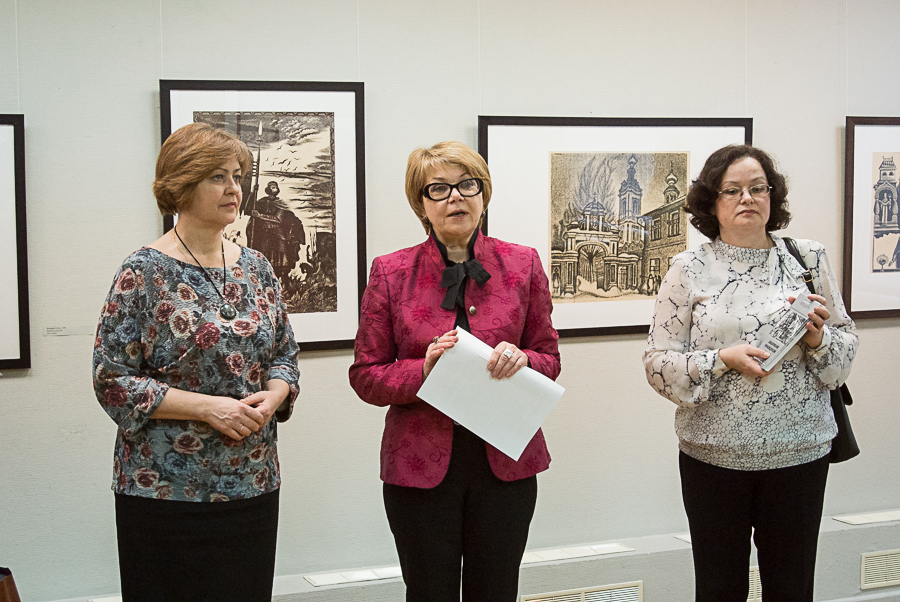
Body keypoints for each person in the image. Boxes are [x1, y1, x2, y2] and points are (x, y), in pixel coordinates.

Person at [93, 122, 300, 601]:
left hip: (252, 479)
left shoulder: (257, 267)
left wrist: (275, 395)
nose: (234, 189)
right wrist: (208, 408)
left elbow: (284, 354)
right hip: (165, 489)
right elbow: (112, 380)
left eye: (237, 176)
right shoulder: (142, 271)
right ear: (182, 186)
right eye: (217, 177)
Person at [642, 145, 858, 602]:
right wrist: (722, 359)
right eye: (732, 190)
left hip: (800, 454)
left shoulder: (808, 258)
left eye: (758, 188)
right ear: (711, 202)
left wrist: (818, 339)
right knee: (719, 590)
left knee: (792, 589)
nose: (747, 198)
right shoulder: (688, 268)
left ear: (772, 196)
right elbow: (658, 365)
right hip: (712, 459)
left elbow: (844, 355)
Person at [349, 141, 560, 602]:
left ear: (484, 194)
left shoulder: (522, 263)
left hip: (505, 464)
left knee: (497, 591)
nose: (456, 197)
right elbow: (366, 375)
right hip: (420, 466)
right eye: (438, 189)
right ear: (421, 204)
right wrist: (423, 370)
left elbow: (548, 357)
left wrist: (525, 359)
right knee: (429, 592)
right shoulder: (390, 272)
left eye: (467, 185)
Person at [247, 180, 305, 284]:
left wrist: (260, 216)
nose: (274, 189)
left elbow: (278, 219)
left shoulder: (281, 204)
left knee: (281, 260)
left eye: (275, 187)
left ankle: (283, 282)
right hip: (265, 235)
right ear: (268, 189)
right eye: (272, 187)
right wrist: (253, 192)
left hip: (278, 235)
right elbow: (249, 210)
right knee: (264, 256)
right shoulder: (262, 202)